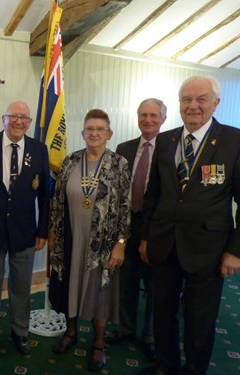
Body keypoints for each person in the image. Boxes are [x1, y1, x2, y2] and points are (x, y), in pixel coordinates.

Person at [137, 76, 240, 375]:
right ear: (179, 103)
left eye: (201, 99)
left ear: (215, 103)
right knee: (163, 314)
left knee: (199, 320)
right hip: (164, 245)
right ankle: (165, 365)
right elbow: (152, 194)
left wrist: (235, 251)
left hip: (207, 250)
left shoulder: (233, 141)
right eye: (186, 99)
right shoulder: (167, 140)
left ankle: (194, 371)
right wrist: (146, 239)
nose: (193, 106)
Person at [49, 109, 131, 372]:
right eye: (89, 129)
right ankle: (71, 333)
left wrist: (120, 243)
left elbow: (125, 206)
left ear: (109, 134)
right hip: (71, 237)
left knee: (99, 293)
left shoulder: (119, 164)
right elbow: (56, 201)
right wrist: (53, 232)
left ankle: (98, 344)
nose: (94, 133)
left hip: (103, 243)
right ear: (83, 133)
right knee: (70, 286)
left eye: (99, 129)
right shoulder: (71, 161)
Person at [0, 101, 50, 356]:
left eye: (24, 118)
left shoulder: (39, 149)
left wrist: (43, 230)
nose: (19, 121)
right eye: (13, 116)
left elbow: (45, 196)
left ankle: (20, 331)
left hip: (24, 231)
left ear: (29, 122)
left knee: (21, 287)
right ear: (3, 118)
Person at [105, 98, 167, 360]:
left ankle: (151, 336)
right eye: (144, 115)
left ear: (163, 118)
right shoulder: (124, 148)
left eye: (154, 115)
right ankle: (126, 328)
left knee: (155, 285)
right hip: (127, 223)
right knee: (126, 280)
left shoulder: (171, 148)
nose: (148, 120)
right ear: (138, 117)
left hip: (157, 227)